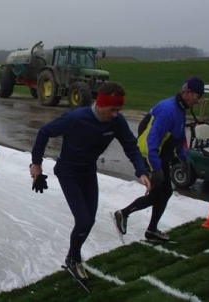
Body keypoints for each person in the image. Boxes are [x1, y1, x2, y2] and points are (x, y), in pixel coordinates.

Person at [29, 81, 151, 283]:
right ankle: (73, 259)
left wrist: (141, 171)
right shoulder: (76, 118)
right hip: (68, 172)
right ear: (101, 104)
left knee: (89, 220)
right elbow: (44, 132)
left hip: (88, 172)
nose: (115, 114)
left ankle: (72, 257)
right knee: (83, 220)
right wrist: (36, 163)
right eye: (112, 110)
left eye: (118, 110)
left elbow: (130, 145)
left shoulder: (116, 121)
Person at [114, 77, 205, 242]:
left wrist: (183, 158)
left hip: (161, 156)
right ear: (187, 92)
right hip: (150, 155)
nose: (198, 101)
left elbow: (178, 136)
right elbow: (151, 141)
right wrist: (155, 168)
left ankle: (151, 230)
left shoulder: (180, 109)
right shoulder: (168, 110)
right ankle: (123, 214)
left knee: (165, 193)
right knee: (158, 194)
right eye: (197, 96)